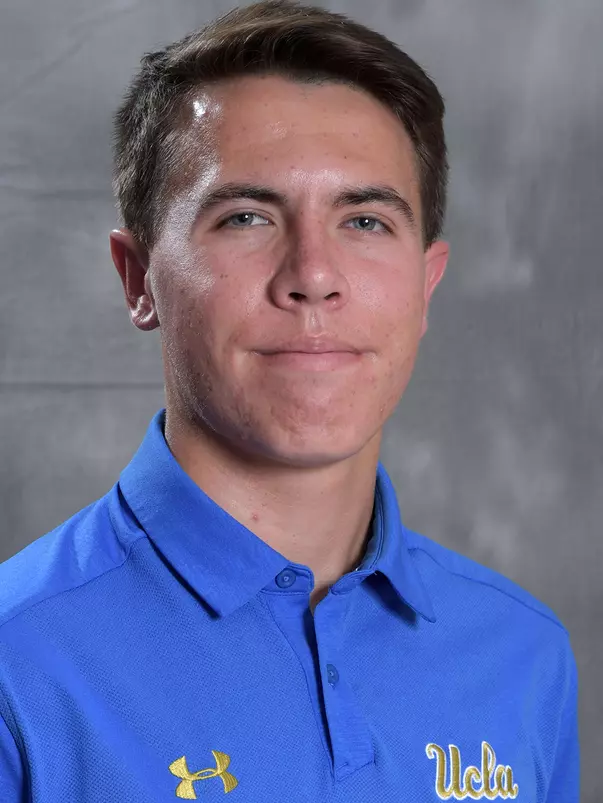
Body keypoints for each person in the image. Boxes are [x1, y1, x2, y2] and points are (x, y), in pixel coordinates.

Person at [0, 0, 579, 800]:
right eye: (246, 216)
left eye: (366, 221)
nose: (312, 273)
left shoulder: (522, 655)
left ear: (424, 285)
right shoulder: (17, 666)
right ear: (139, 281)